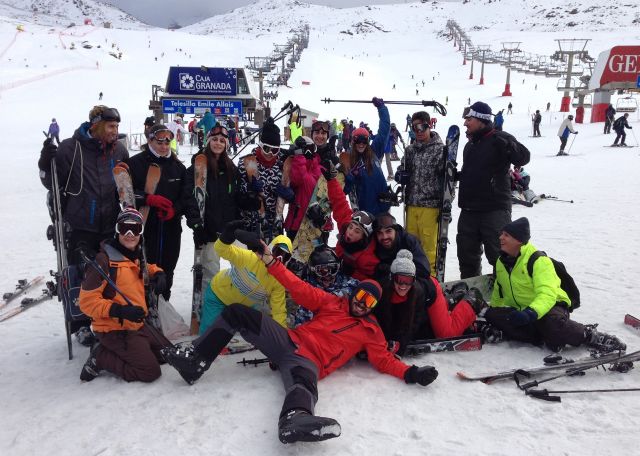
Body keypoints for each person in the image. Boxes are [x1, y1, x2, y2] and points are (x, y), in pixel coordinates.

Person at [161, 243, 438, 444]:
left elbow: (385, 360)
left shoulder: (371, 331)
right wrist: (271, 263)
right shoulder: (333, 302)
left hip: (307, 361)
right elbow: (298, 287)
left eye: (368, 302)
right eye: (359, 296)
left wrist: (411, 373)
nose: (360, 304)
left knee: (302, 385)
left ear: (374, 306)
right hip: (287, 340)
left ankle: (295, 418)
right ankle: (194, 361)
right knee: (236, 312)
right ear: (353, 293)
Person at [38, 105, 128, 346]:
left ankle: (105, 318)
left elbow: (124, 182)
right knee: (80, 274)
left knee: (109, 273)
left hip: (109, 223)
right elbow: (50, 183)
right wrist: (46, 163)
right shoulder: (70, 148)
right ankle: (80, 324)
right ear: (96, 125)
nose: (114, 131)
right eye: (110, 126)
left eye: (117, 126)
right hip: (80, 224)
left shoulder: (119, 149)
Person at [485, 217, 626, 353]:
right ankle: (543, 335)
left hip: (551, 307)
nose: (501, 238)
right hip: (524, 311)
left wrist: (531, 312)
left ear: (519, 240)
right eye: (501, 234)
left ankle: (590, 335)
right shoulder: (501, 262)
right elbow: (500, 289)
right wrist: (494, 312)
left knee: (552, 325)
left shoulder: (538, 261)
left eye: (506, 235)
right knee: (491, 315)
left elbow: (547, 293)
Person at [78, 208, 170, 382]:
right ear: (117, 230)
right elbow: (86, 303)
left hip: (136, 323)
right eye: (124, 228)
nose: (129, 234)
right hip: (114, 329)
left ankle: (138, 348)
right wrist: (119, 311)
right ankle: (101, 357)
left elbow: (139, 267)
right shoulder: (103, 261)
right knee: (150, 372)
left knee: (168, 355)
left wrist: (158, 273)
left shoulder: (132, 254)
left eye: (135, 229)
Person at [457, 101, 530, 278]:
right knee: (467, 257)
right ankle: (470, 294)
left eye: (469, 119)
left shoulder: (499, 138)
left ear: (481, 119)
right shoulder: (470, 146)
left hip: (494, 210)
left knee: (501, 256)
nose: (465, 123)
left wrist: (509, 145)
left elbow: (523, 157)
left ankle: (506, 295)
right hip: (468, 210)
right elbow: (474, 173)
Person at [184, 123, 254, 297]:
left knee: (244, 267)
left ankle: (240, 301)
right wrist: (196, 225)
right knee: (210, 273)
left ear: (226, 144)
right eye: (214, 139)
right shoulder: (195, 169)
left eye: (222, 140)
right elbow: (189, 199)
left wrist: (250, 200)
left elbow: (236, 198)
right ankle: (210, 308)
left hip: (230, 228)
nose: (218, 143)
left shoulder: (231, 170)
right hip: (208, 230)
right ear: (208, 142)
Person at [374, 250, 484, 356]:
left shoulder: (416, 292)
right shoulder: (382, 291)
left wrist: (400, 344)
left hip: (431, 294)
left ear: (413, 280)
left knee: (446, 333)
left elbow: (411, 324)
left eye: (408, 281)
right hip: (424, 299)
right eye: (399, 280)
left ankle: (471, 301)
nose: (403, 285)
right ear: (392, 278)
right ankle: (454, 298)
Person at [126, 124, 186, 302]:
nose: (164, 145)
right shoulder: (135, 164)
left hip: (170, 228)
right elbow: (123, 193)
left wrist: (174, 210)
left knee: (167, 269)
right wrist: (147, 199)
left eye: (168, 141)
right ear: (150, 140)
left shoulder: (178, 168)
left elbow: (186, 197)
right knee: (142, 267)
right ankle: (141, 306)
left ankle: (163, 304)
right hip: (144, 227)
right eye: (159, 141)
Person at [198, 220, 291, 334]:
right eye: (277, 251)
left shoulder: (278, 281)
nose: (279, 258)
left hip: (245, 306)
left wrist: (281, 336)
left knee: (253, 326)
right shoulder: (250, 257)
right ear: (270, 248)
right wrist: (226, 238)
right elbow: (222, 250)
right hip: (219, 295)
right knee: (209, 332)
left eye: (285, 256)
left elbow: (279, 311)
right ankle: (204, 346)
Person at [394, 111, 444, 273]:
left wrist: (446, 204)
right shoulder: (410, 150)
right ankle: (411, 277)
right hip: (411, 204)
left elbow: (448, 180)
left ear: (429, 125)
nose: (419, 131)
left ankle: (431, 280)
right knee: (410, 246)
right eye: (415, 128)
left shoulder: (440, 150)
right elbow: (402, 168)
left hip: (430, 206)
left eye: (422, 126)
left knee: (429, 248)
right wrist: (401, 174)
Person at [326, 168, 380, 279]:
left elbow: (373, 282)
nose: (350, 232)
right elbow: (339, 202)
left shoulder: (367, 257)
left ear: (363, 237)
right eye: (351, 227)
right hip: (339, 267)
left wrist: (351, 273)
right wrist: (331, 180)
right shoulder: (345, 226)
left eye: (357, 231)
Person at [237, 117, 284, 241]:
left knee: (273, 260)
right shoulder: (245, 163)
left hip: (274, 226)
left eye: (275, 150)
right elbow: (237, 193)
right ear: (260, 145)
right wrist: (249, 190)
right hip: (252, 224)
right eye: (267, 149)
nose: (270, 154)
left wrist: (290, 195)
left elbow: (288, 190)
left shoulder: (281, 165)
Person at [290, 244, 359, 327]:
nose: (328, 275)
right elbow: (302, 323)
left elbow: (361, 288)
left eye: (333, 269)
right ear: (313, 271)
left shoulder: (347, 283)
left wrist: (337, 295)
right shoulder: (310, 292)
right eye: (322, 271)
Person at [344, 124, 391, 216]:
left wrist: (382, 109)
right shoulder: (348, 160)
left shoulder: (374, 153)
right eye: (358, 140)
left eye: (364, 140)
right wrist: (350, 177)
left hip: (383, 207)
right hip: (365, 212)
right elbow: (344, 190)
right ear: (353, 141)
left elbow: (384, 131)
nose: (361, 144)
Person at [372, 213, 430, 283]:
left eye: (388, 231)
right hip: (386, 285)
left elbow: (424, 271)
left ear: (396, 231)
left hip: (409, 283)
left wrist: (392, 269)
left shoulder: (409, 242)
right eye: (380, 233)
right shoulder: (374, 243)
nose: (384, 237)